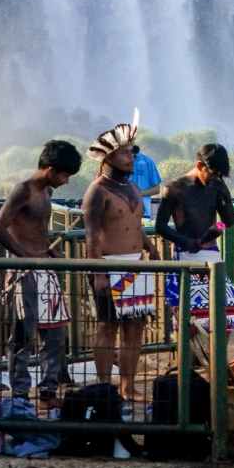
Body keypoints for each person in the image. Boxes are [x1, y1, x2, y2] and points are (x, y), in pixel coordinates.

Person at [0, 140, 83, 410]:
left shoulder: (46, 192)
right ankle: (19, 393)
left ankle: (47, 390)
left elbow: (37, 229)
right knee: (23, 334)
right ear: (51, 169)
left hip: (44, 268)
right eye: (65, 175)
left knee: (54, 334)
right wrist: (25, 257)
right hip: (25, 272)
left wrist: (49, 252)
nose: (66, 181)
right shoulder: (23, 190)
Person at [84, 119, 160, 401]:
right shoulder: (96, 191)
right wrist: (99, 273)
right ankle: (105, 388)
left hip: (136, 263)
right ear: (109, 157)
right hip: (108, 262)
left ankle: (128, 385)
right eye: (126, 153)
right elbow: (91, 237)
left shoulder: (130, 188)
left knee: (135, 327)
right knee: (107, 326)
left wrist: (150, 248)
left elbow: (135, 225)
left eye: (131, 152)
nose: (132, 157)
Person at [155, 144, 234, 346]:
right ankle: (191, 367)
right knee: (190, 322)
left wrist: (224, 198)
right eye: (213, 173)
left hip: (212, 255)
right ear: (199, 165)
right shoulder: (174, 188)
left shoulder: (216, 186)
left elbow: (228, 222)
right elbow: (160, 226)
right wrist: (185, 241)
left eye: (221, 175)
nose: (216, 178)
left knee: (225, 318)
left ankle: (215, 364)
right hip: (186, 256)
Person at [130, 144, 162, 219]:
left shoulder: (148, 161)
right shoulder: (116, 163)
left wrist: (139, 193)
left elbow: (157, 189)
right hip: (121, 213)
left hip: (144, 214)